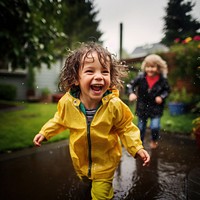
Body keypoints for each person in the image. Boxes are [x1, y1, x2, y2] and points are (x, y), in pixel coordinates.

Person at [33, 42, 150, 200]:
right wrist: (45, 132)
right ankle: (88, 179)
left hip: (105, 164)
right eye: (90, 71)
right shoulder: (68, 103)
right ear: (76, 78)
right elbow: (60, 120)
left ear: (110, 76)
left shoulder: (114, 105)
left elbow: (126, 128)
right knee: (86, 178)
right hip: (80, 161)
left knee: (100, 194)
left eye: (104, 71)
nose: (99, 76)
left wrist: (137, 148)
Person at [127, 54, 170, 149]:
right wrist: (131, 93)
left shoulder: (162, 80)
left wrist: (161, 97)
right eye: (148, 67)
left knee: (155, 127)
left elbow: (167, 90)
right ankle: (139, 144)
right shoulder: (141, 77)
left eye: (153, 67)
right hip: (142, 107)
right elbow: (131, 85)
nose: (150, 69)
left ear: (158, 68)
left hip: (156, 108)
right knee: (141, 127)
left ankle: (154, 140)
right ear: (145, 67)